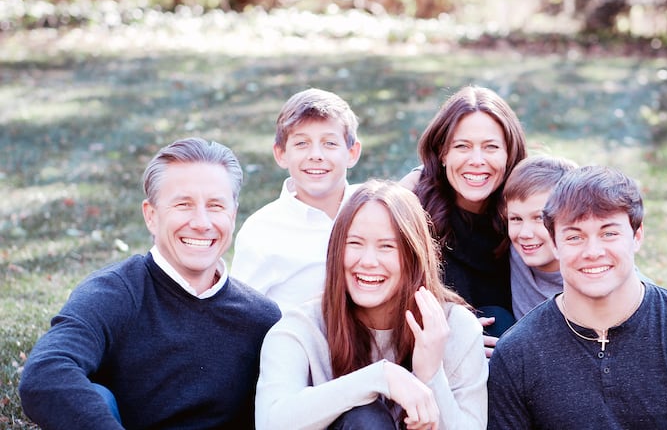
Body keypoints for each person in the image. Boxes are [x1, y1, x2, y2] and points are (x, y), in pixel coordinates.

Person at [18, 137, 282, 430]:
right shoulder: (113, 293)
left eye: (216, 206)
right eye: (183, 204)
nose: (201, 222)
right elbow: (45, 373)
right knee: (98, 395)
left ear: (232, 215)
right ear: (151, 216)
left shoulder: (261, 319)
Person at [487, 165, 667, 429]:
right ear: (555, 243)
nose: (593, 251)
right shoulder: (518, 353)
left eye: (609, 233)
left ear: (637, 237)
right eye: (574, 236)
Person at [255, 179, 488, 429]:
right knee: (365, 418)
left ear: (414, 255)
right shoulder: (300, 328)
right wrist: (377, 378)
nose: (368, 261)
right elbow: (271, 422)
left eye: (387, 246)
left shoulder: (454, 328)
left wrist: (431, 376)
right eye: (354, 243)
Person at [410, 85, 527, 338]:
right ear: (442, 153)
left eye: (491, 147)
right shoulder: (413, 212)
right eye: (462, 146)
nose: (476, 160)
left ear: (509, 154)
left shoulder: (524, 215)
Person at [231, 88, 362, 311]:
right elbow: (240, 316)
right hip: (294, 341)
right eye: (302, 144)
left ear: (352, 153)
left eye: (330, 143)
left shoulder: (374, 211)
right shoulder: (261, 232)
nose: (316, 155)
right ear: (281, 154)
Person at [502, 155, 577, 319]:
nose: (525, 234)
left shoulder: (588, 273)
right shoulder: (515, 253)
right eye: (516, 219)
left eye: (539, 218)